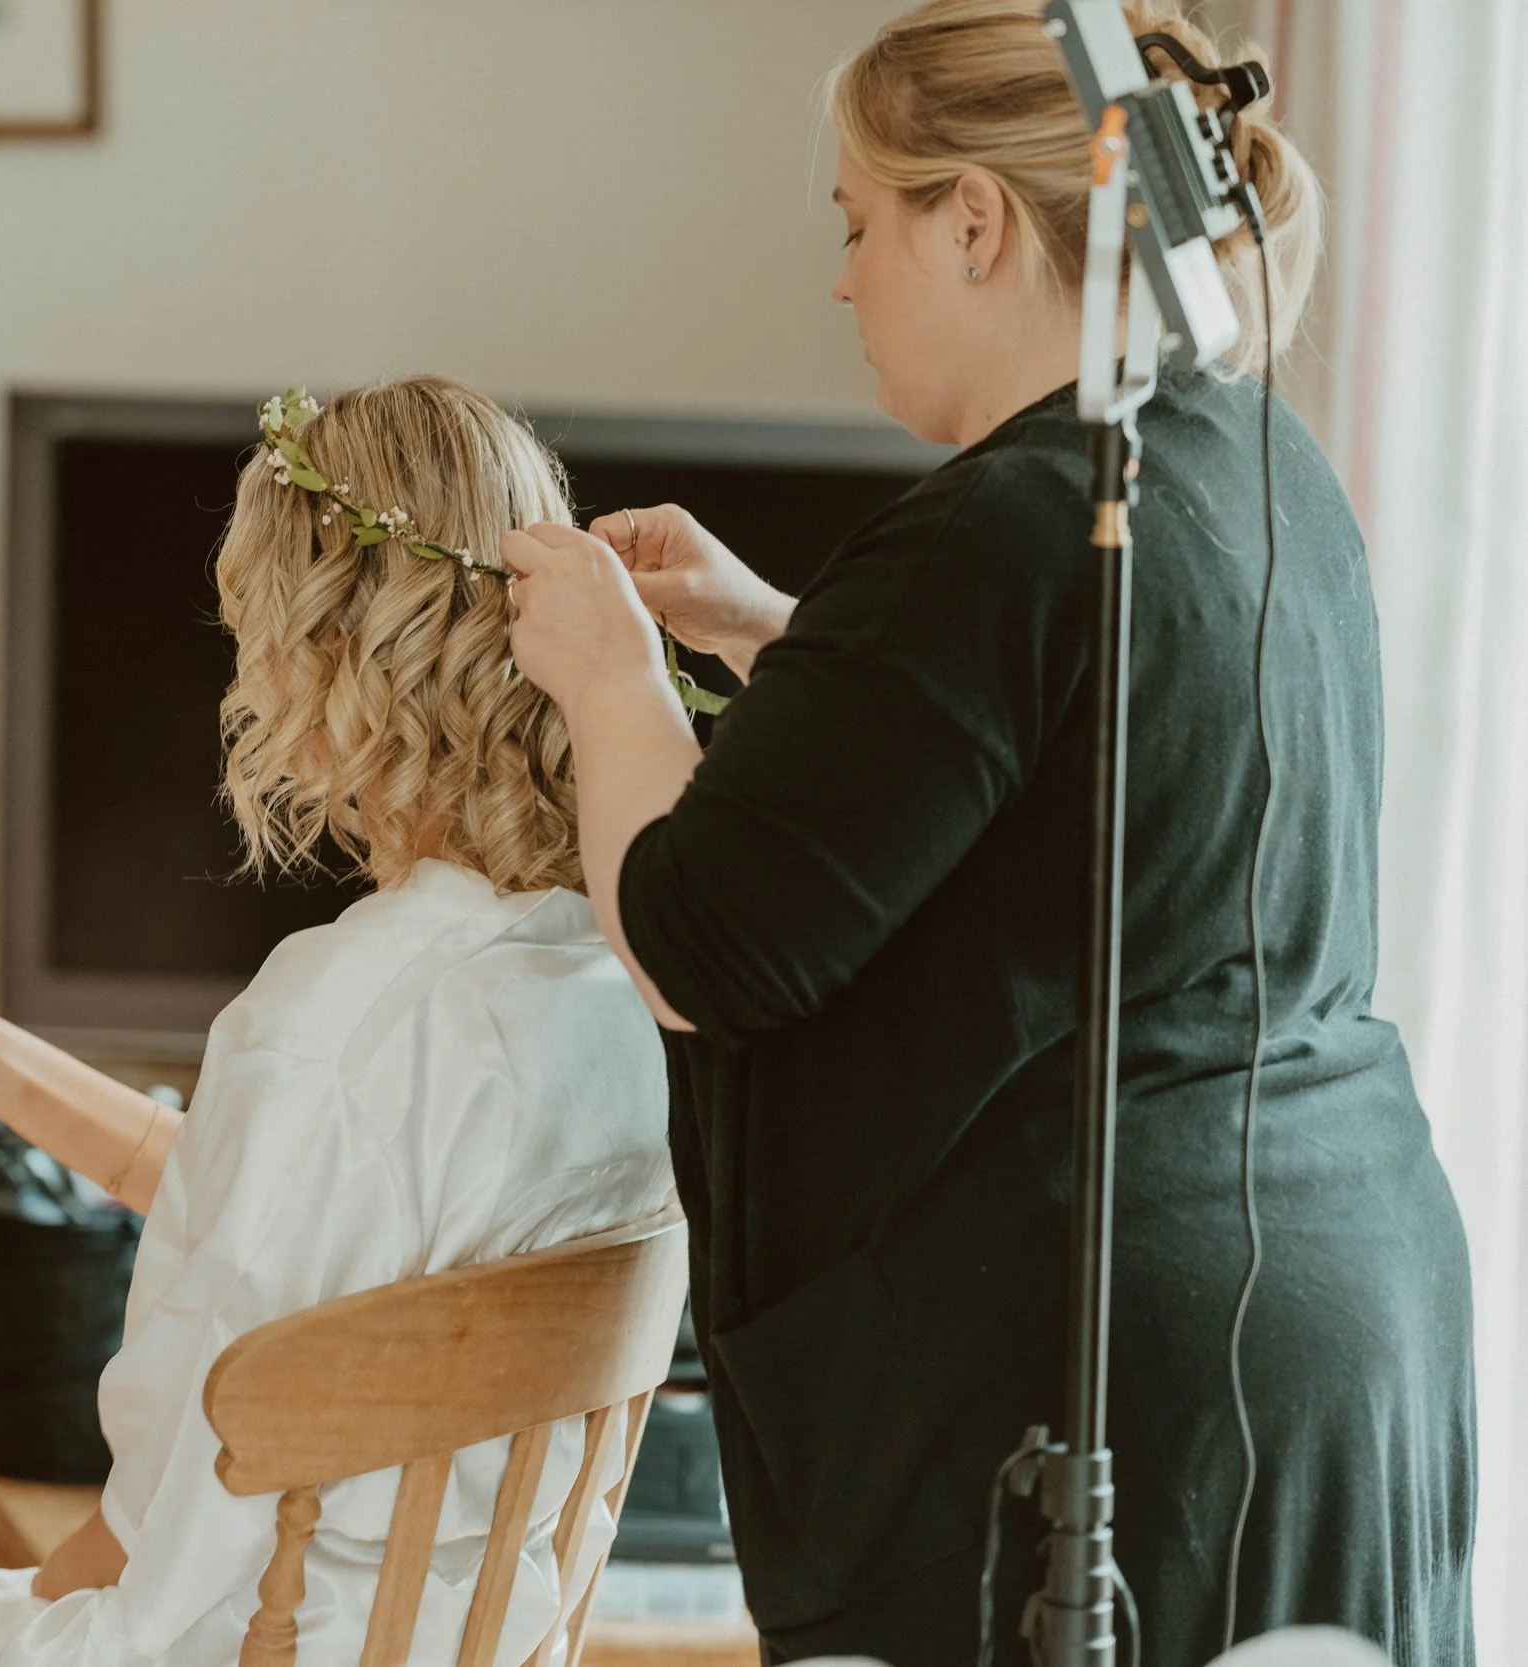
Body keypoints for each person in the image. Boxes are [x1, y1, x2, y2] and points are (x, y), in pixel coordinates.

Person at [496, 4, 1474, 1665]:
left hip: (1126, 1386)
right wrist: (777, 634)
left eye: (859, 223)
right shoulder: (1249, 454)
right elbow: (1081, 751)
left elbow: (698, 938)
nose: (842, 277)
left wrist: (608, 678)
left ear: (975, 221)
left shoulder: (1003, 521)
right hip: (1343, 1324)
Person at [0, 376, 676, 1667]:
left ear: (316, 656)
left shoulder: (337, 1018)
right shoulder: (617, 991)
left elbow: (167, 1512)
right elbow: (298, 1242)